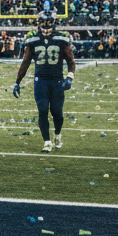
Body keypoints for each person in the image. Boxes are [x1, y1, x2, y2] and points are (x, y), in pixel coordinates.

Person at [13, 10, 76, 153]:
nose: (46, 30)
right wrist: (17, 82)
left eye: (48, 27)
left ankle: (57, 134)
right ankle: (47, 141)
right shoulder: (33, 40)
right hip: (40, 80)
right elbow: (26, 62)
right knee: (42, 110)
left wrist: (69, 77)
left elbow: (71, 61)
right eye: (43, 26)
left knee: (57, 113)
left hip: (57, 80)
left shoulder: (61, 39)